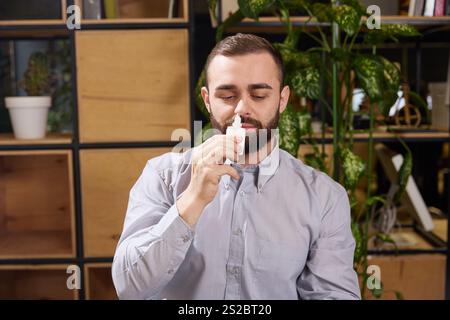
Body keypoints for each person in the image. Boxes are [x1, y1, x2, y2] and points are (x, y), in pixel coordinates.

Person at [112, 33, 361, 300]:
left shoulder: (324, 197)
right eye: (228, 95)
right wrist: (190, 203)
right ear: (207, 100)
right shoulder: (162, 176)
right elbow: (129, 287)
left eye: (259, 94)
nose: (242, 108)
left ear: (283, 99)